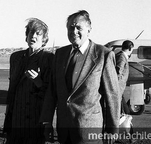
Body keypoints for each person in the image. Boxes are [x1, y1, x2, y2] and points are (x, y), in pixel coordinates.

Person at [40, 10, 120, 144]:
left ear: (89, 30)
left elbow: (112, 95)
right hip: (64, 130)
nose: (74, 31)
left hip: (89, 131)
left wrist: (112, 130)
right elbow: (52, 91)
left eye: (78, 27)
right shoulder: (60, 54)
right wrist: (47, 121)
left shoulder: (103, 55)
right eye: (70, 27)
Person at [3, 18, 54, 144]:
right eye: (31, 32)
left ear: (44, 40)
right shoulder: (16, 57)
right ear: (26, 36)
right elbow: (12, 88)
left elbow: (51, 94)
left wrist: (37, 81)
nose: (33, 36)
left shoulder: (48, 59)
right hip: (14, 120)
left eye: (38, 34)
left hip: (35, 122)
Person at [115, 40, 134, 115]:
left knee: (124, 111)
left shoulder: (120, 55)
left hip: (119, 89)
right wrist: (116, 87)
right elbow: (118, 71)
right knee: (124, 112)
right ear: (130, 48)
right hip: (118, 88)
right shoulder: (122, 57)